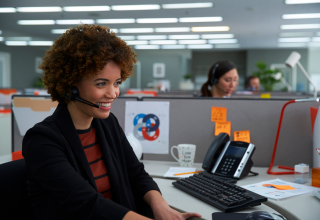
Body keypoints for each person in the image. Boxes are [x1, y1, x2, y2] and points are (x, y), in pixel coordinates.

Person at [22, 24, 201, 220]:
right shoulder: (42, 140)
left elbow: (136, 174)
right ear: (70, 86)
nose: (113, 93)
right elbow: (88, 204)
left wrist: (161, 205)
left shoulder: (106, 124)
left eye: (116, 83)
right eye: (101, 83)